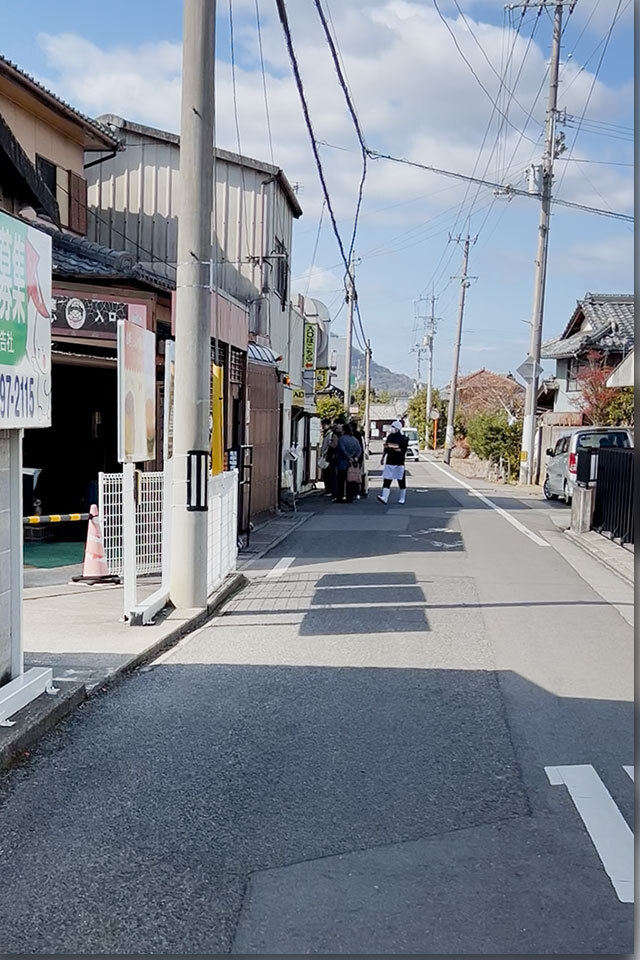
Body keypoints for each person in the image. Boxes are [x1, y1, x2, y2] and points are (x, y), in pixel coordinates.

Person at [378, 419, 409, 505]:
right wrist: (382, 457)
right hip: (389, 461)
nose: (392, 428)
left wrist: (394, 447)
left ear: (398, 428)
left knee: (401, 480)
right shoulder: (390, 437)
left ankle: (402, 498)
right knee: (387, 480)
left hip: (399, 462)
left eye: (394, 427)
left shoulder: (403, 438)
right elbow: (385, 448)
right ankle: (384, 497)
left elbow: (402, 450)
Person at [335, 424, 362, 503]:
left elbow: (342, 449)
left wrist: (348, 457)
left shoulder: (341, 439)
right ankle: (349, 497)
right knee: (350, 480)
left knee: (341, 481)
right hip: (352, 463)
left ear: (343, 430)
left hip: (343, 462)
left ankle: (340, 497)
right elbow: (359, 450)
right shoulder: (355, 440)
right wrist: (355, 457)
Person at [319, 418, 334, 497]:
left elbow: (329, 446)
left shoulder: (329, 434)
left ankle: (329, 490)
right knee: (325, 474)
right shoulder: (327, 434)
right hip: (325, 456)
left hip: (327, 457)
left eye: (323, 425)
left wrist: (325, 453)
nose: (322, 427)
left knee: (328, 474)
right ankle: (327, 489)